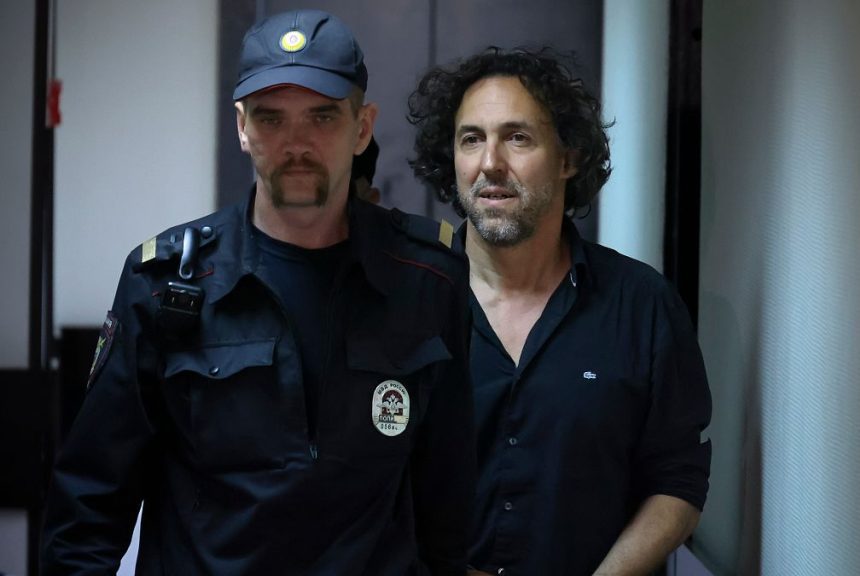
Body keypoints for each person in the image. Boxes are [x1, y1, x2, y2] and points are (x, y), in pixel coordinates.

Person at [41, 9, 474, 575]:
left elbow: (449, 507)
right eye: (271, 120)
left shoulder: (428, 279)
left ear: (362, 127)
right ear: (242, 128)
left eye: (321, 117)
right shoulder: (164, 283)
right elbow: (87, 511)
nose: (296, 143)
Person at [408, 48, 712, 575]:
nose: (490, 164)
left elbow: (677, 482)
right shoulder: (405, 304)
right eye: (471, 139)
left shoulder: (642, 306)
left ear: (569, 157)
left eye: (517, 137)